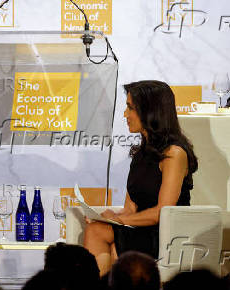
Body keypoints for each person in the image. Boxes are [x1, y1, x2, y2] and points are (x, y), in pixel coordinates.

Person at [83, 80, 198, 275]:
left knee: (104, 237)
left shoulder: (174, 153)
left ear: (150, 112)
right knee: (97, 228)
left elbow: (162, 212)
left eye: (130, 108)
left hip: (165, 234)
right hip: (140, 229)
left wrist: (119, 221)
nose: (125, 114)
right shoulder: (140, 153)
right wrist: (113, 217)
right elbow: (131, 208)